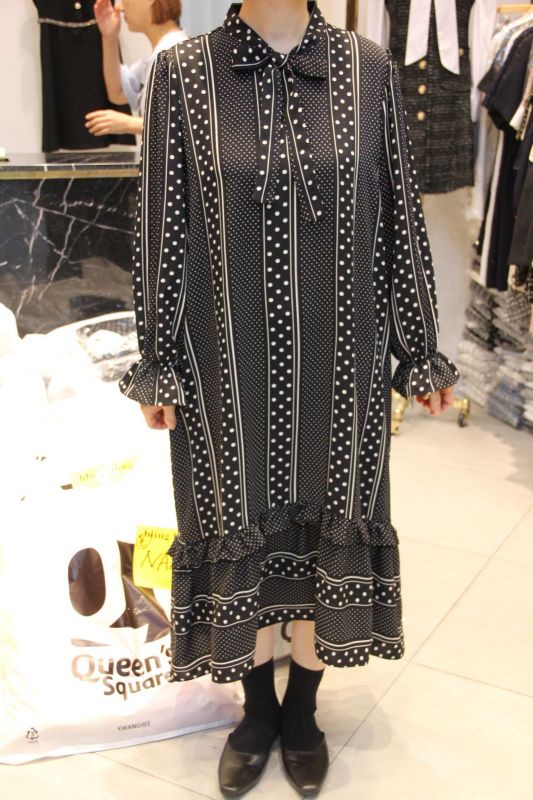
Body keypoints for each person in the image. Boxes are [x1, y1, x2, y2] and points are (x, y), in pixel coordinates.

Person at [118, 1, 460, 796]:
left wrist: (418, 348)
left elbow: (398, 216)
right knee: (232, 516)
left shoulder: (368, 69)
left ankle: (301, 709)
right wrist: (157, 358)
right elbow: (161, 224)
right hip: (223, 358)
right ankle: (255, 710)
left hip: (341, 359)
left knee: (328, 521)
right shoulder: (183, 73)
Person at [85, 0, 187, 138]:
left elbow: (185, 124)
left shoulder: (174, 52)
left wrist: (129, 124)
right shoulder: (159, 54)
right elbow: (118, 92)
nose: (119, 7)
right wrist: (110, 37)